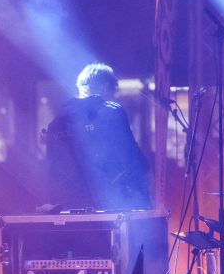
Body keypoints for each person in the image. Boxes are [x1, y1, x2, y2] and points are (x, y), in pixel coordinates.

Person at [45, 63, 150, 211]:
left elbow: (53, 166)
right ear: (105, 87)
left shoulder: (57, 122)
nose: (114, 96)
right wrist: (144, 170)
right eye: (114, 90)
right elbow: (130, 155)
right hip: (109, 199)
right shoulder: (112, 112)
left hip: (70, 202)